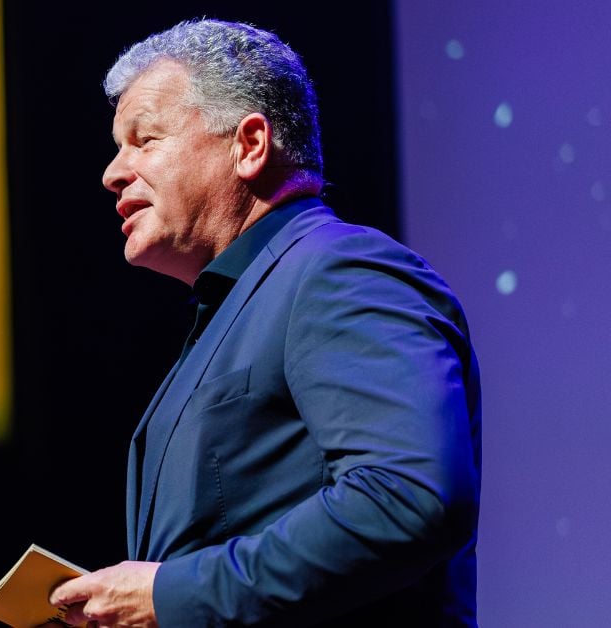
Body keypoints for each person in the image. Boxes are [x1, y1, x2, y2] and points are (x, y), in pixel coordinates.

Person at [48, 19, 481, 627]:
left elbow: (406, 498)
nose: (113, 172)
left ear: (249, 145)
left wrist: (171, 597)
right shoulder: (238, 306)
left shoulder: (339, 271)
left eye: (145, 139)